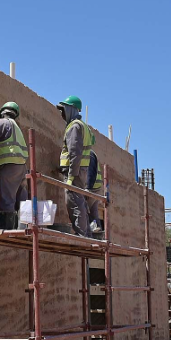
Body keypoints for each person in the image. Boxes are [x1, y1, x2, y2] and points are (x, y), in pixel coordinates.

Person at [55, 95, 103, 236]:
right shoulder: (83, 126)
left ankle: (82, 234)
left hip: (74, 172)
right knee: (79, 202)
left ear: (72, 109)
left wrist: (70, 175)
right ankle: (86, 232)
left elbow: (74, 153)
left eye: (63, 109)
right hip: (79, 171)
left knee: (74, 204)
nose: (62, 113)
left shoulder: (74, 126)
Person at [0, 101, 29, 229]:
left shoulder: (2, 123)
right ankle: (24, 227)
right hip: (22, 167)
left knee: (7, 198)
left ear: (2, 112)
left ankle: (8, 229)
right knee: (21, 199)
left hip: (9, 166)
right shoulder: (17, 128)